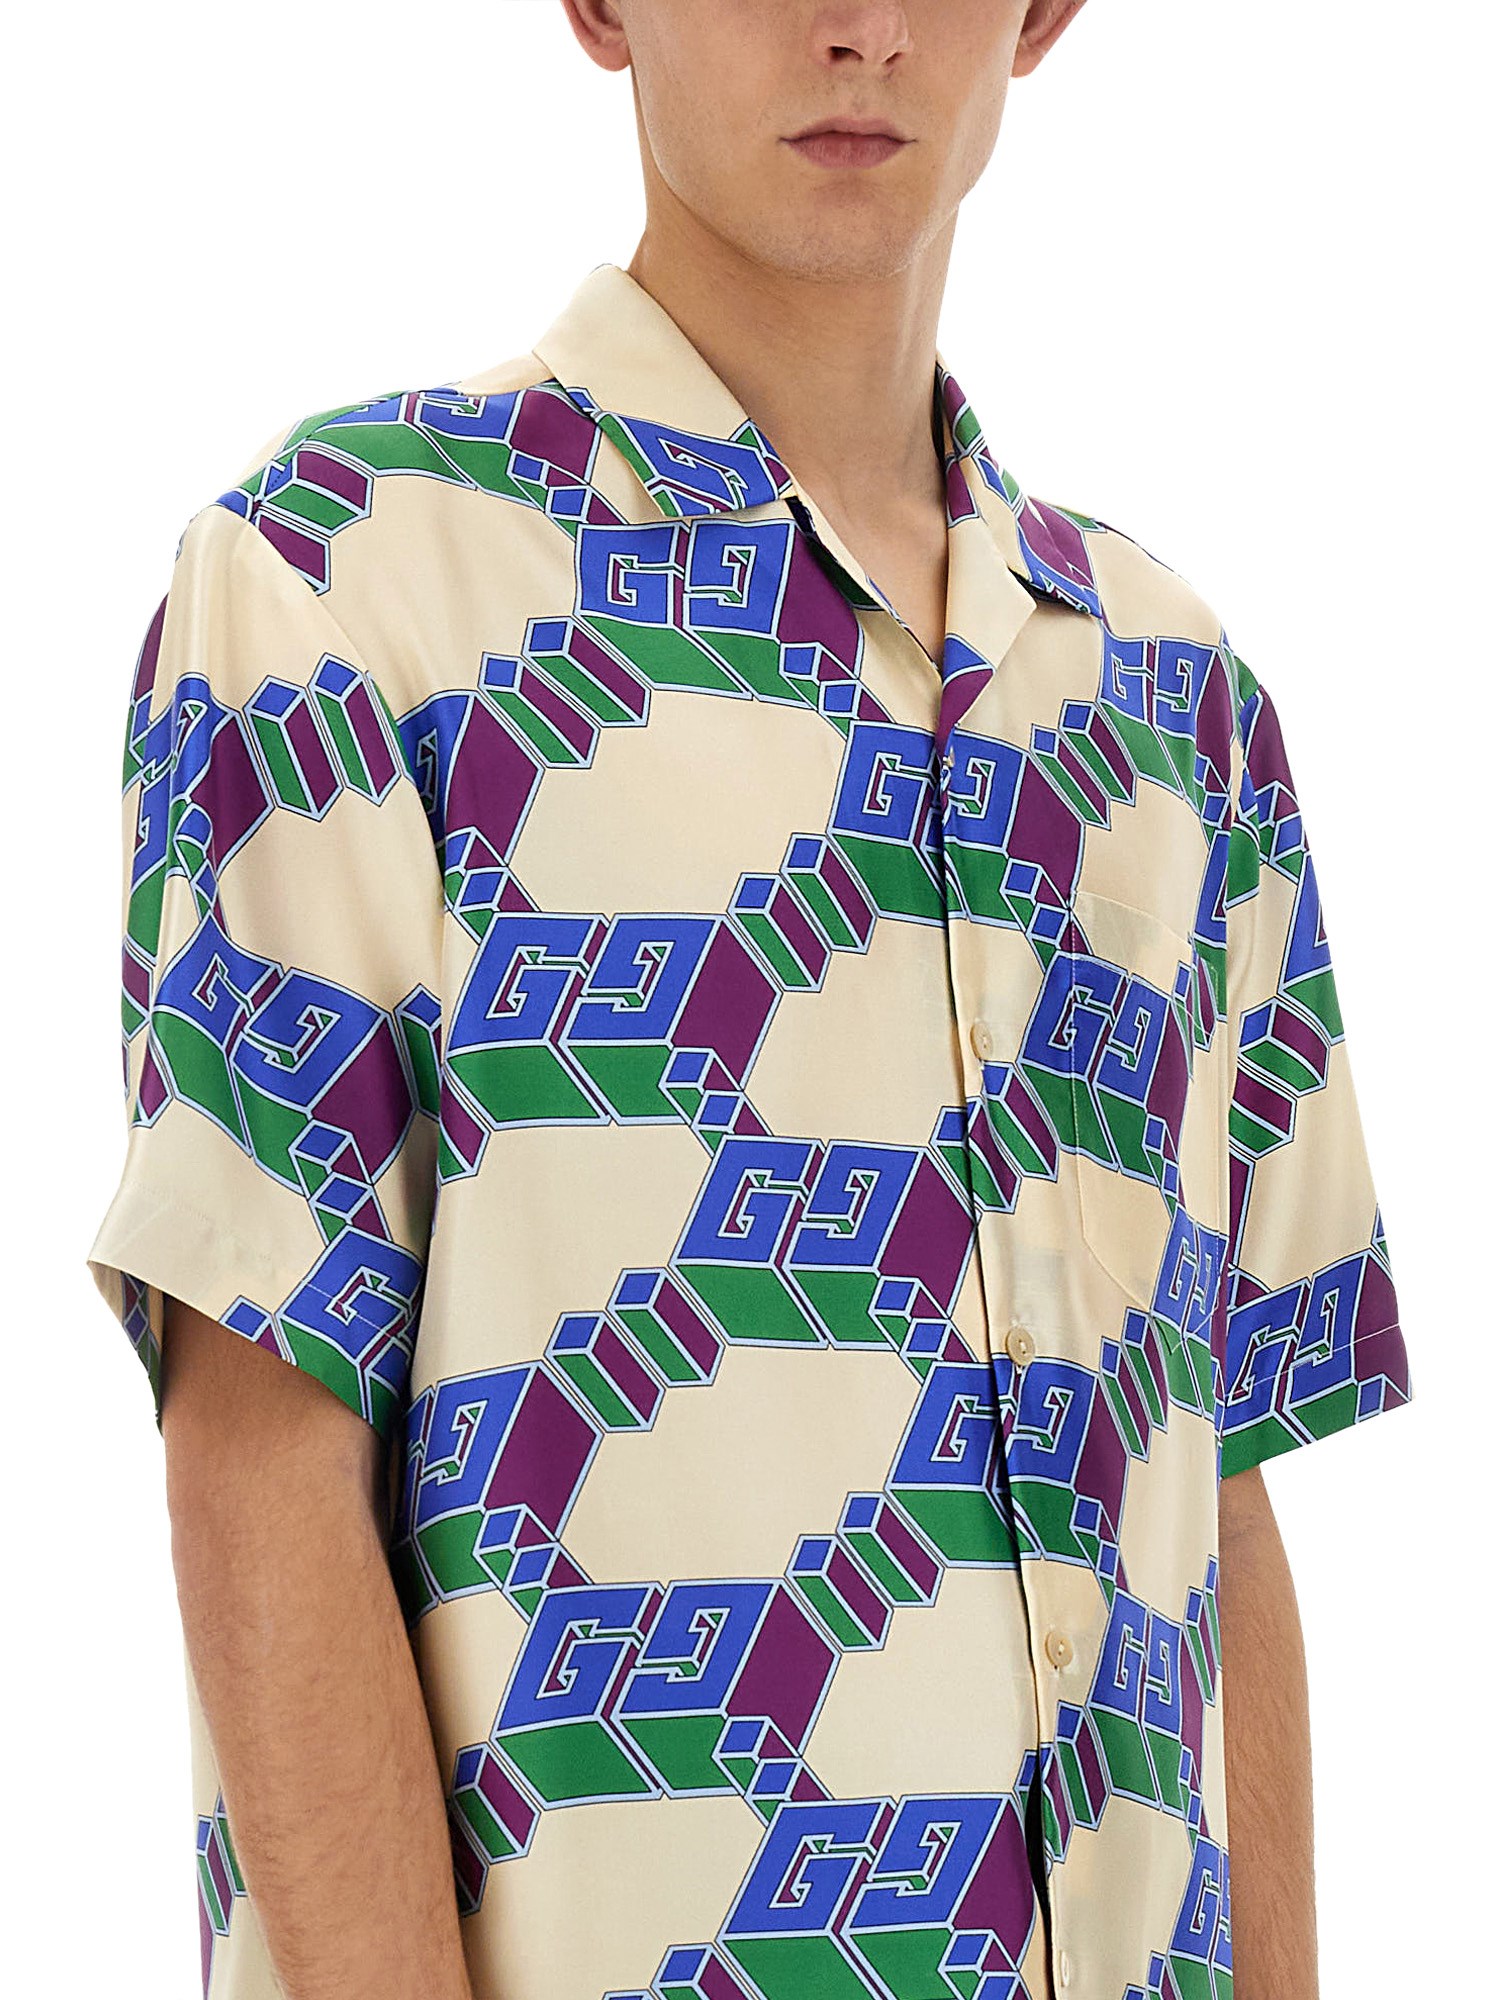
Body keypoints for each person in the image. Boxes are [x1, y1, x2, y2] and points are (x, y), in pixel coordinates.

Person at [84, 4, 1415, 1997]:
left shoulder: (1176, 697)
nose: (857, 27)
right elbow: (259, 1435)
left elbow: (1218, 1489)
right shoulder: (342, 588)